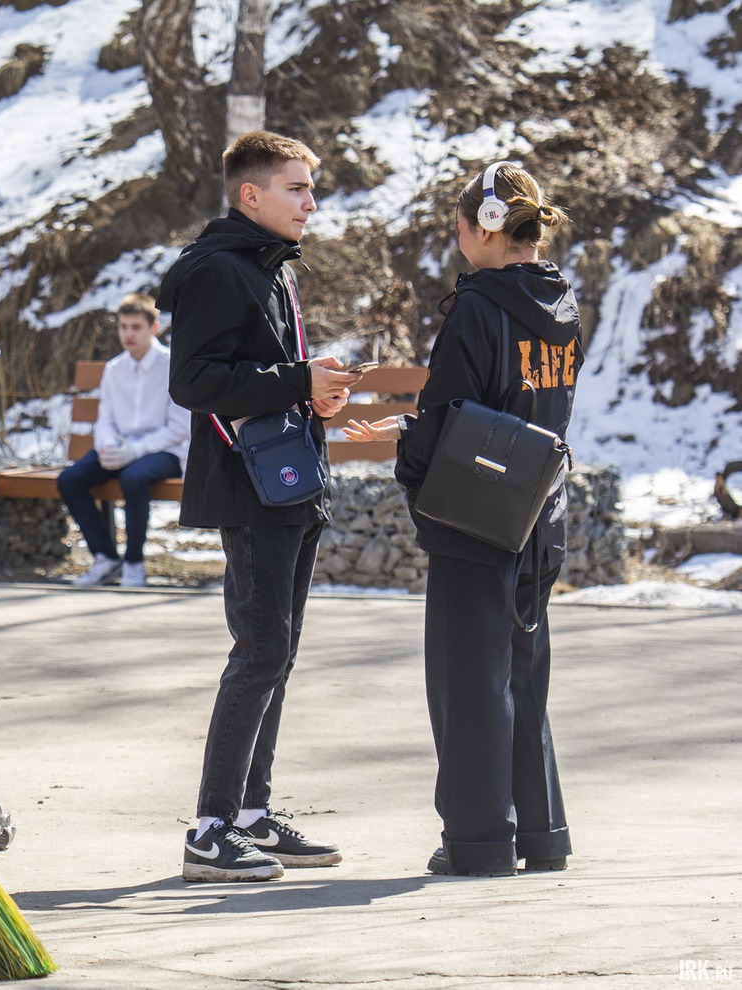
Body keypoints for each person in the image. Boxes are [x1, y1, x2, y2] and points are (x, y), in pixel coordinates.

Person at [345, 161, 579, 877]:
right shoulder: (562, 303)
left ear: (475, 230)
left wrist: (403, 444)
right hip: (542, 510)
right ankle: (538, 836)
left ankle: (477, 841)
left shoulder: (478, 308)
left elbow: (448, 419)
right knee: (521, 675)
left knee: (468, 682)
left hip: (478, 515)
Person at [159, 131, 360, 881]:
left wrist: (316, 393)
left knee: (278, 651)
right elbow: (196, 381)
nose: (311, 202)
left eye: (310, 189)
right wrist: (296, 382)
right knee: (260, 652)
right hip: (250, 487)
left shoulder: (268, 266)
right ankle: (208, 830)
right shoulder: (219, 269)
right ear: (251, 195)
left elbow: (264, 374)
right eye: (296, 188)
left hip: (288, 479)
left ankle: (250, 816)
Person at [57, 292, 190, 588]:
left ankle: (133, 563)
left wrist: (135, 450)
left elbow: (180, 428)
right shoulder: (115, 369)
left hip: (164, 452)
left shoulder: (172, 365)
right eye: (123, 327)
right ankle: (105, 558)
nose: (128, 334)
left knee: (133, 478)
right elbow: (105, 419)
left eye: (136, 327)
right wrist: (107, 445)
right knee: (70, 479)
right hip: (119, 450)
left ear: (153, 328)